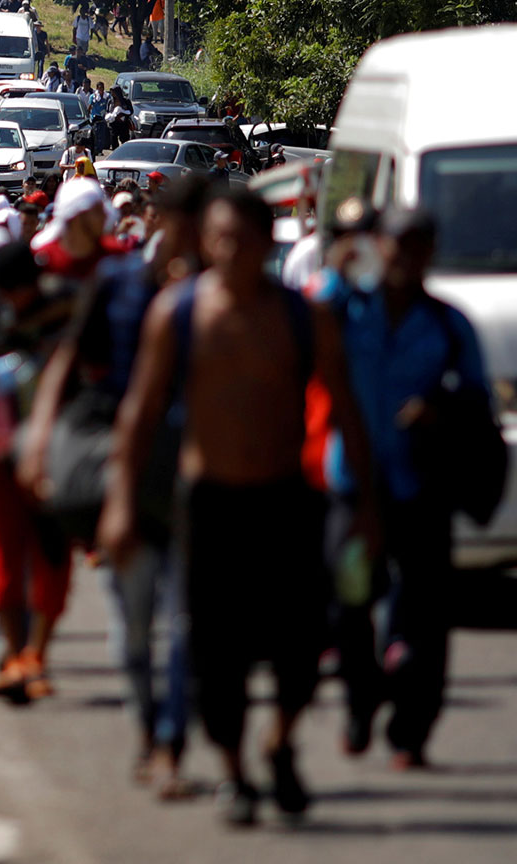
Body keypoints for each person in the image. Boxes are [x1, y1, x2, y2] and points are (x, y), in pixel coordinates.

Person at [105, 187, 372, 826]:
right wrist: (120, 505)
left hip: (285, 500)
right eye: (218, 239)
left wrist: (366, 502)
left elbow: (348, 412)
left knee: (300, 643)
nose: (229, 251)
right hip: (211, 503)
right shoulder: (180, 312)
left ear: (267, 244)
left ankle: (280, 740)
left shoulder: (305, 317)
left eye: (243, 240)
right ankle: (233, 771)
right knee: (214, 649)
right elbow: (139, 415)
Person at [19, 174, 208, 798]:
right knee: (131, 625)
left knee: (188, 624)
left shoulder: (231, 300)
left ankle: (171, 746)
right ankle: (150, 731)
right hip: (118, 471)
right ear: (154, 224)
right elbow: (68, 361)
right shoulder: (120, 285)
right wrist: (43, 440)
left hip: (199, 476)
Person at [320, 208, 488, 769]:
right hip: (353, 485)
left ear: (429, 254)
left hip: (420, 489)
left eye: (418, 246)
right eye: (396, 245)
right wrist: (336, 273)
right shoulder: (348, 306)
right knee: (348, 604)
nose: (405, 257)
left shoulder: (447, 323)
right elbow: (307, 322)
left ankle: (411, 731)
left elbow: (475, 398)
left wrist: (437, 408)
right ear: (380, 248)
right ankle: (361, 703)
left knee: (426, 617)